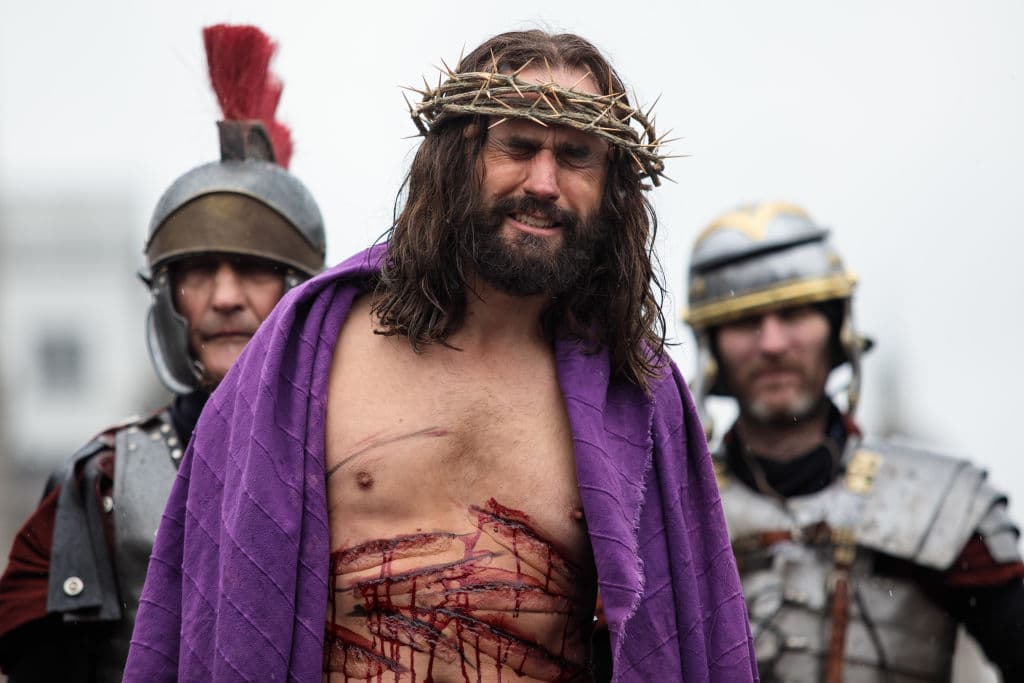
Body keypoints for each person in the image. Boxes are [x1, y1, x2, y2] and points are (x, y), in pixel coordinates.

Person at [124, 30, 758, 682]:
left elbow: (692, 640)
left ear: (612, 188)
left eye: (575, 156)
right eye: (517, 145)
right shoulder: (302, 351)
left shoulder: (640, 395)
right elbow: (201, 617)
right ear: (459, 156)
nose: (544, 182)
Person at [0, 24, 326, 681]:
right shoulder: (106, 479)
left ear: (300, 289)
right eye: (201, 269)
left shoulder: (364, 460)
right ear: (167, 294)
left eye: (253, 268)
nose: (225, 296)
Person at [682, 200, 1024, 682]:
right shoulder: (667, 510)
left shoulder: (943, 504)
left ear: (837, 328)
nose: (773, 343)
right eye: (746, 321)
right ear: (711, 347)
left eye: (794, 313)